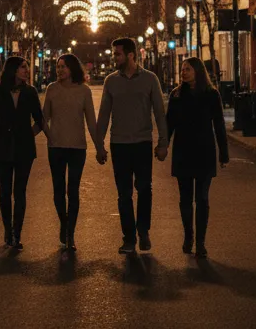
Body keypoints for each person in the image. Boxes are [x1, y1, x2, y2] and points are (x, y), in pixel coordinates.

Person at [96, 37, 169, 254]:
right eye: (114, 53)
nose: (114, 57)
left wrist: (163, 143)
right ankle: (128, 238)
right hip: (119, 145)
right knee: (124, 193)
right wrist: (99, 145)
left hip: (142, 143)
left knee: (144, 189)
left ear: (130, 55)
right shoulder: (111, 81)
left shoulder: (150, 79)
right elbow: (103, 115)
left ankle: (143, 231)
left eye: (117, 54)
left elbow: (159, 112)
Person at [167, 56, 229, 259]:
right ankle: (188, 236)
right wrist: (163, 146)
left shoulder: (211, 95)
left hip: (204, 151)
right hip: (183, 151)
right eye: (182, 69)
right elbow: (170, 125)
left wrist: (224, 154)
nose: (183, 72)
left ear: (198, 72)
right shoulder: (176, 95)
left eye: (188, 69)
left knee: (202, 198)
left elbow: (219, 125)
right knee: (185, 198)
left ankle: (201, 242)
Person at [0, 56, 45, 250]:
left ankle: (17, 233)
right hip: (2, 149)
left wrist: (29, 134)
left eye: (26, 67)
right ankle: (7, 230)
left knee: (20, 192)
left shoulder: (30, 92)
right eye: (23, 67)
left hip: (24, 151)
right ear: (13, 70)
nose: (27, 70)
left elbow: (39, 120)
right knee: (5, 192)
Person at [42, 53, 103, 251]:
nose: (60, 70)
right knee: (58, 191)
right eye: (58, 66)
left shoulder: (83, 91)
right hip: (56, 147)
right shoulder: (52, 89)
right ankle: (63, 222)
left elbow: (91, 123)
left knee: (73, 191)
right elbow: (44, 118)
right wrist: (41, 134)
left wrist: (100, 147)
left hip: (77, 148)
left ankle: (70, 233)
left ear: (73, 69)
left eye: (64, 67)